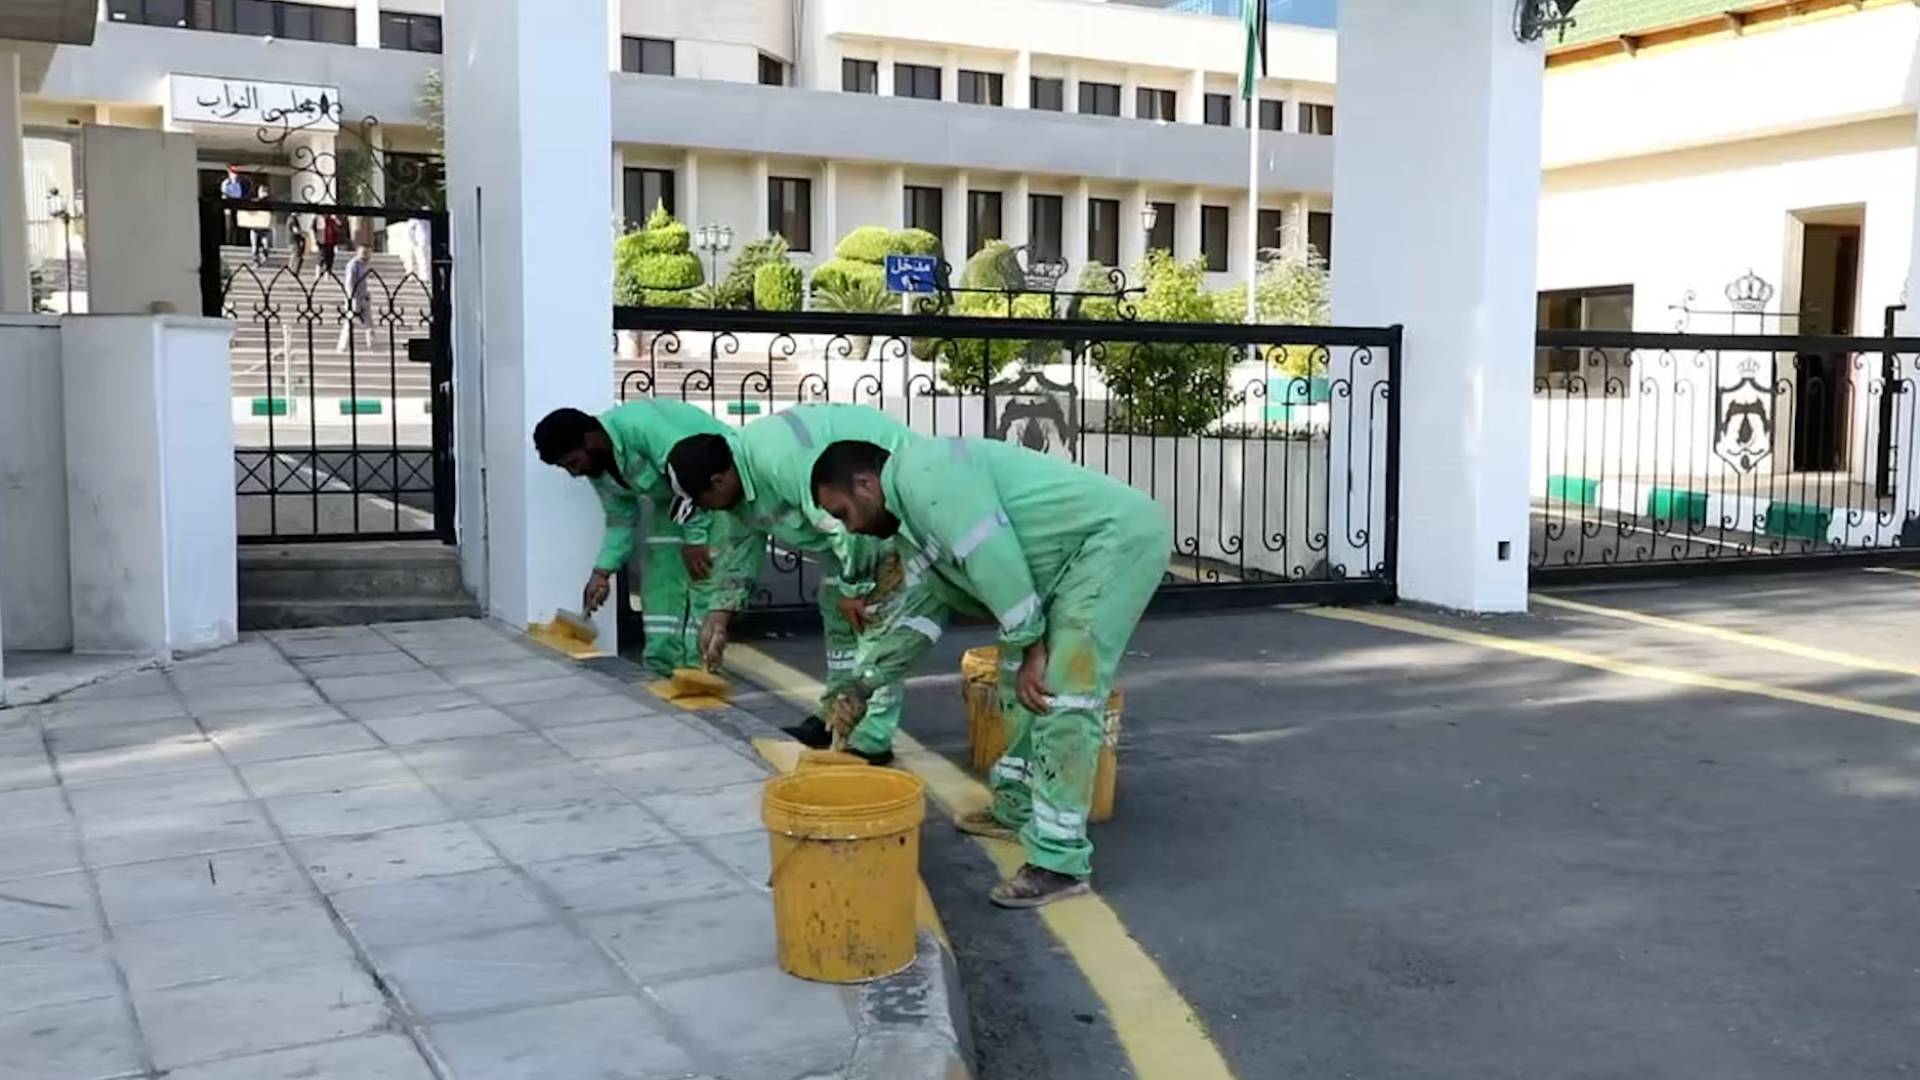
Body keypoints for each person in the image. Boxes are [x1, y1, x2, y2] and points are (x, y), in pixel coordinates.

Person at [811, 437, 1172, 909]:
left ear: (865, 483)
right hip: (1068, 563)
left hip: (1113, 543)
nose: (850, 528)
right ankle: (1018, 808)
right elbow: (917, 616)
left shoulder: (926, 474)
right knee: (1014, 682)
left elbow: (991, 554)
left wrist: (1028, 643)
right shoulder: (913, 524)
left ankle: (1059, 863)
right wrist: (863, 684)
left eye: (843, 513)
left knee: (1059, 695)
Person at [663, 404, 922, 763]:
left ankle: (871, 738)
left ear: (718, 481)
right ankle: (835, 715)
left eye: (704, 503)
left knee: (873, 621)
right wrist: (719, 615)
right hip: (848, 530)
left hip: (884, 508)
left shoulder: (779, 460)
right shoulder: (736, 484)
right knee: (836, 611)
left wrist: (857, 590)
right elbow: (739, 548)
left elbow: (853, 518)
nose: (708, 512)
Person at [534, 402, 733, 677]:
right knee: (660, 578)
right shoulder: (599, 467)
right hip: (674, 497)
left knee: (702, 576)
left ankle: (700, 672)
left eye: (573, 463)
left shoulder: (641, 426)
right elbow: (620, 518)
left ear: (590, 440)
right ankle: (661, 668)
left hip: (714, 487)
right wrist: (601, 573)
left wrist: (695, 539)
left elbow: (695, 475)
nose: (574, 473)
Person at [335, 244, 374, 354]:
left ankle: (372, 346)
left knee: (369, 324)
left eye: (368, 252)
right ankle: (342, 347)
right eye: (364, 252)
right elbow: (349, 283)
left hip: (363, 298)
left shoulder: (364, 265)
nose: (367, 255)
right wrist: (351, 298)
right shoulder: (354, 264)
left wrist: (366, 294)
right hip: (354, 298)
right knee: (350, 323)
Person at [247, 183, 274, 266]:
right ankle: (256, 262)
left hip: (265, 228)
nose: (263, 193)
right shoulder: (255, 202)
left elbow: (272, 213)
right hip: (255, 228)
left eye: (264, 191)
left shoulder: (269, 203)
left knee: (266, 246)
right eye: (261, 191)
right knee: (255, 247)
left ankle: (263, 258)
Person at [220, 165, 247, 246]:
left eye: (236, 173)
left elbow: (240, 194)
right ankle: (229, 242)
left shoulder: (240, 183)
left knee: (237, 224)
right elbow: (224, 194)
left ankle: (237, 242)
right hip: (229, 207)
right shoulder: (226, 183)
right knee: (228, 226)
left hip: (237, 206)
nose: (235, 175)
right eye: (233, 173)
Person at [317, 212, 343, 281]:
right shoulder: (319, 219)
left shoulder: (332, 220)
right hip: (323, 242)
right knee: (322, 257)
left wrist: (335, 219)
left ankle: (327, 275)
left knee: (330, 259)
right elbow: (314, 228)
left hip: (331, 242)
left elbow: (340, 226)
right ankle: (318, 273)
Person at [287, 214, 309, 279]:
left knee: (294, 255)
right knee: (296, 255)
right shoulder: (293, 219)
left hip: (292, 240)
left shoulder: (290, 218)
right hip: (295, 240)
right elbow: (295, 230)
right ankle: (293, 271)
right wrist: (303, 233)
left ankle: (290, 270)